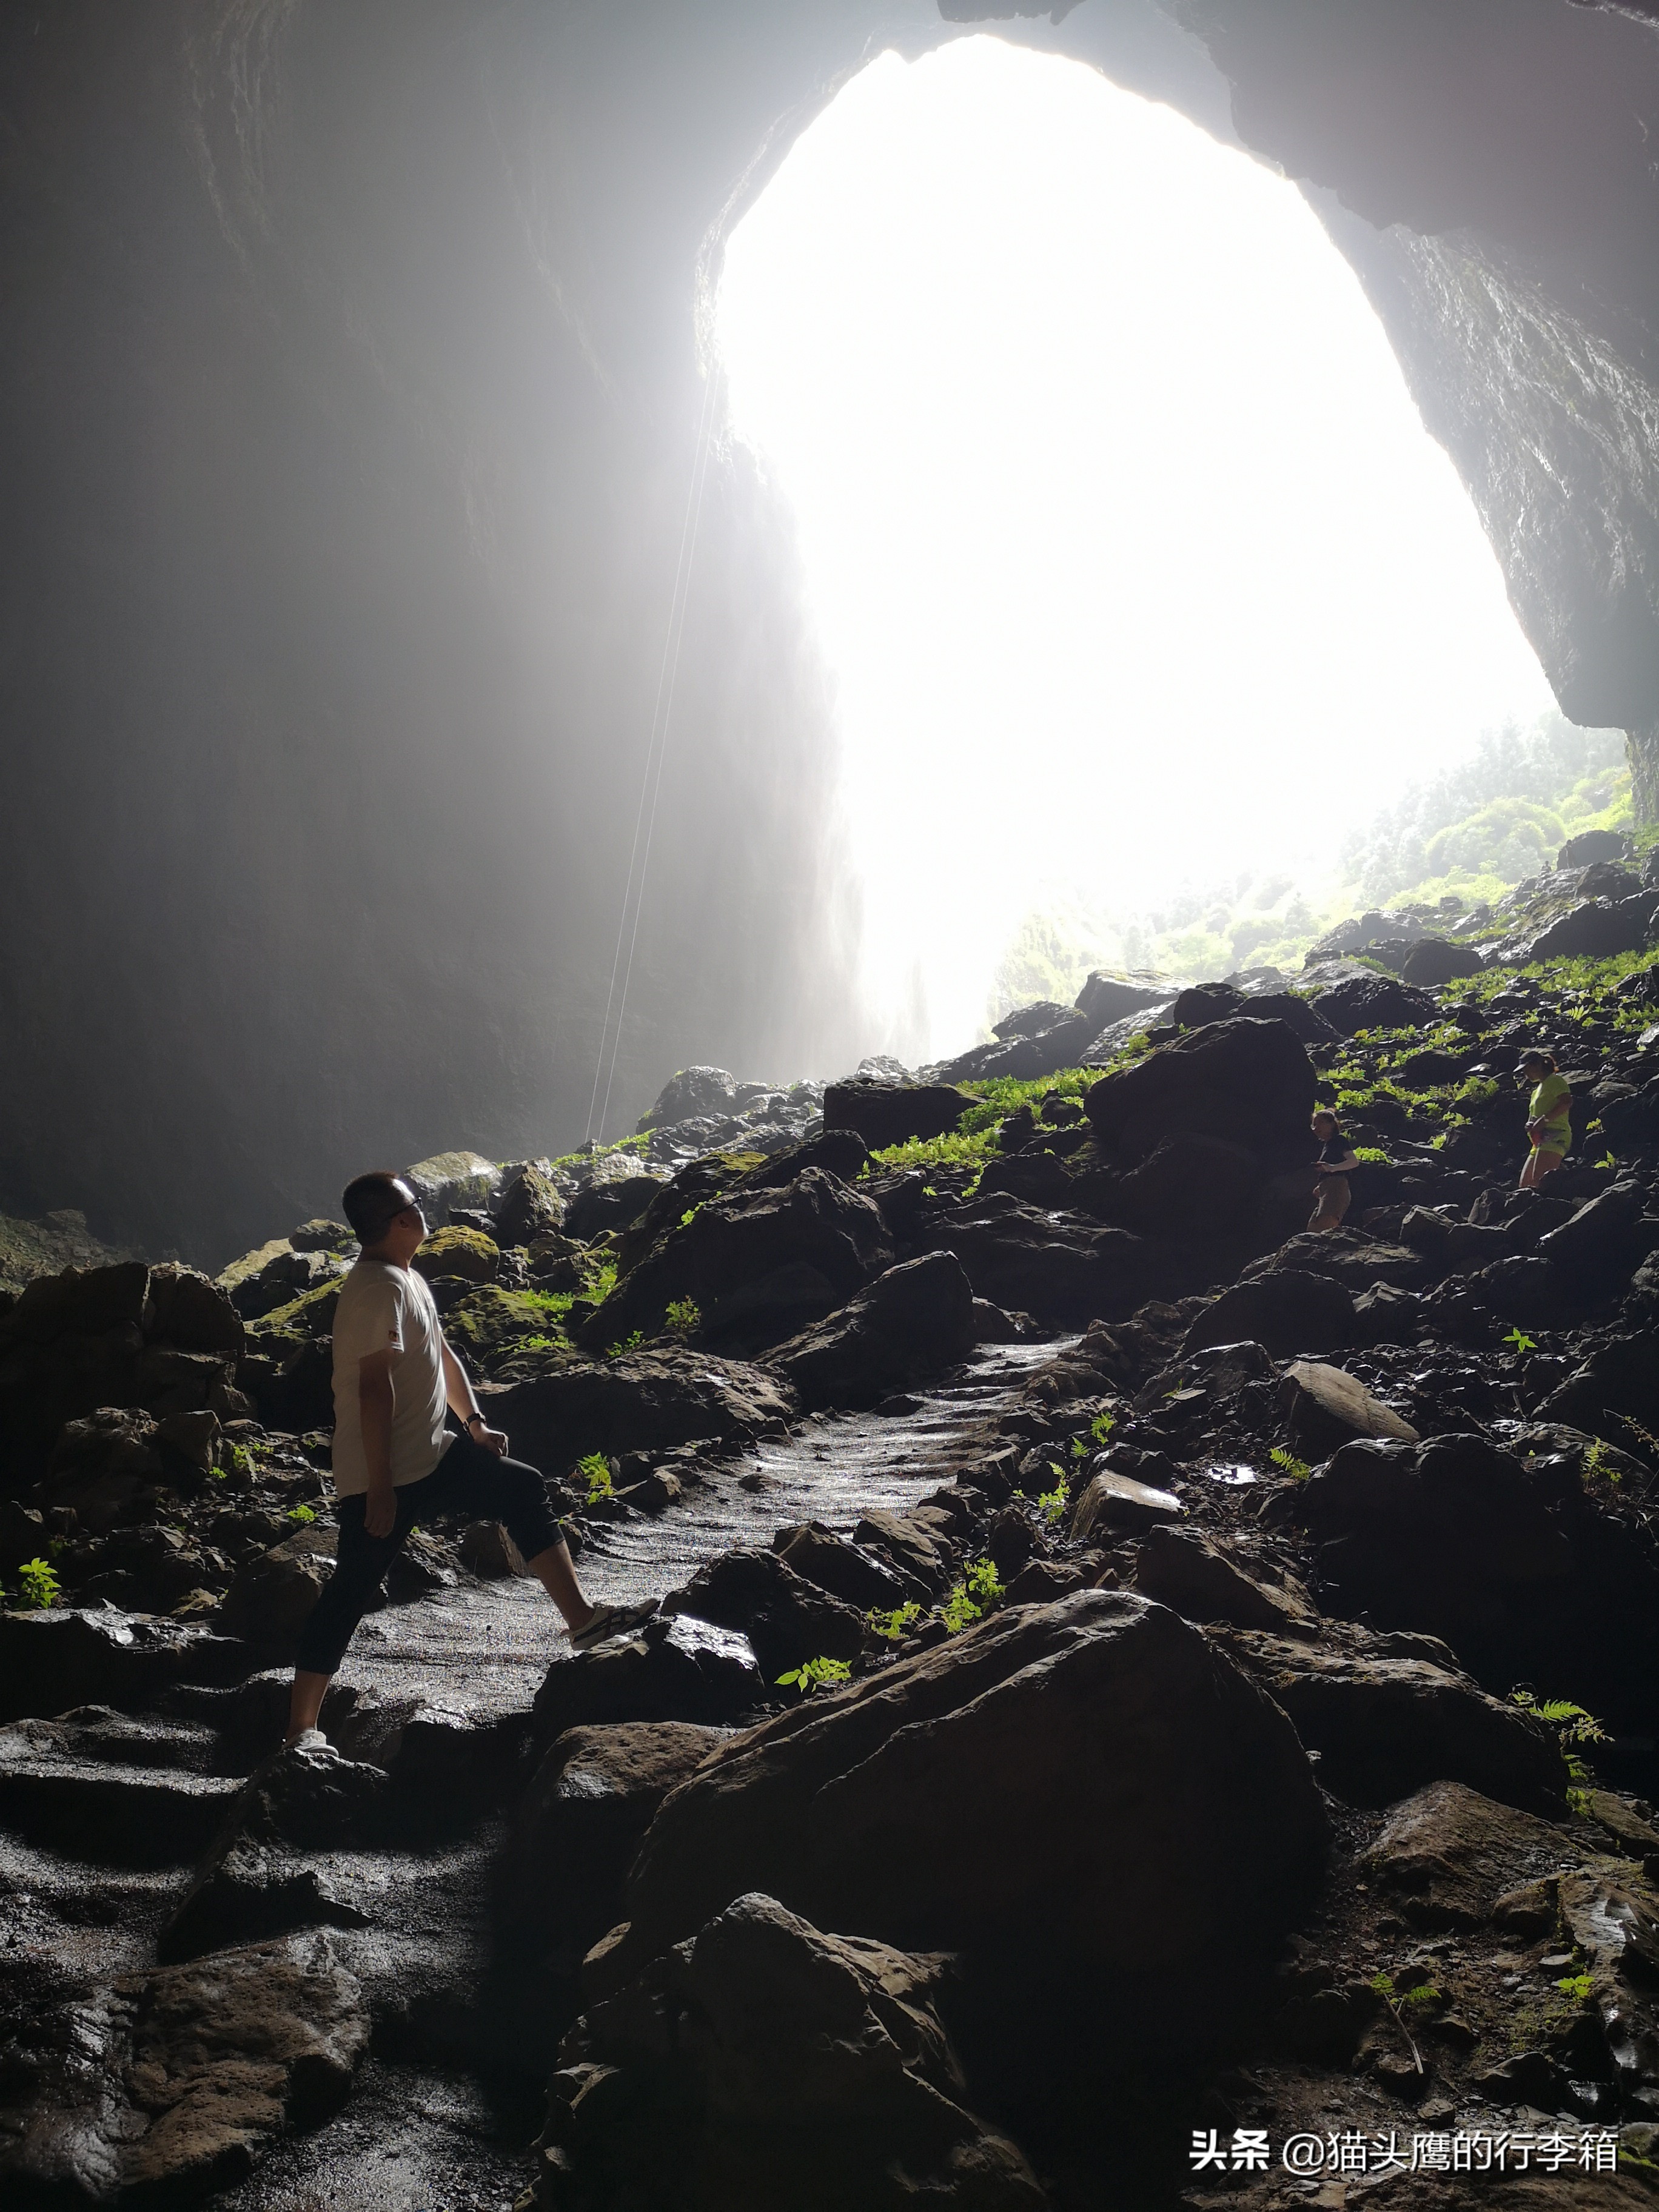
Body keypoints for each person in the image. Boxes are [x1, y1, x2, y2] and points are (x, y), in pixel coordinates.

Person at [286, 1171, 654, 1745]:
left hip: (431, 1454)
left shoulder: (405, 1278)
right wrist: (380, 1488)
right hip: (381, 1472)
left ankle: (583, 1622)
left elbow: (442, 1355)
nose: (423, 1210)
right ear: (401, 1221)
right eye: (416, 1203)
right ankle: (301, 1728)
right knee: (351, 1590)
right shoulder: (377, 1289)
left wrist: (475, 1425)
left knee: (521, 1487)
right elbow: (372, 1391)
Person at [1518, 1049, 1573, 1188]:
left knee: (1540, 1181)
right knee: (1525, 1185)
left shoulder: (1555, 1081)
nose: (1525, 1074)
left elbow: (1567, 1102)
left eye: (1527, 1069)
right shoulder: (1537, 1090)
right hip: (1538, 1141)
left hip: (1555, 1136)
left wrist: (1544, 1120)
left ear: (1537, 1065)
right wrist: (1530, 1125)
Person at [1308, 1110, 1359, 1233]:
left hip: (1336, 1187)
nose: (1317, 1127)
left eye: (1321, 1123)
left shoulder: (1339, 1140)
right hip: (1328, 1188)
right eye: (1315, 1125)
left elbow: (1354, 1162)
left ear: (1332, 1124)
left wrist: (1331, 1168)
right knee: (1313, 1228)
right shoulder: (1328, 1145)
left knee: (1324, 1228)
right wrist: (1321, 1185)